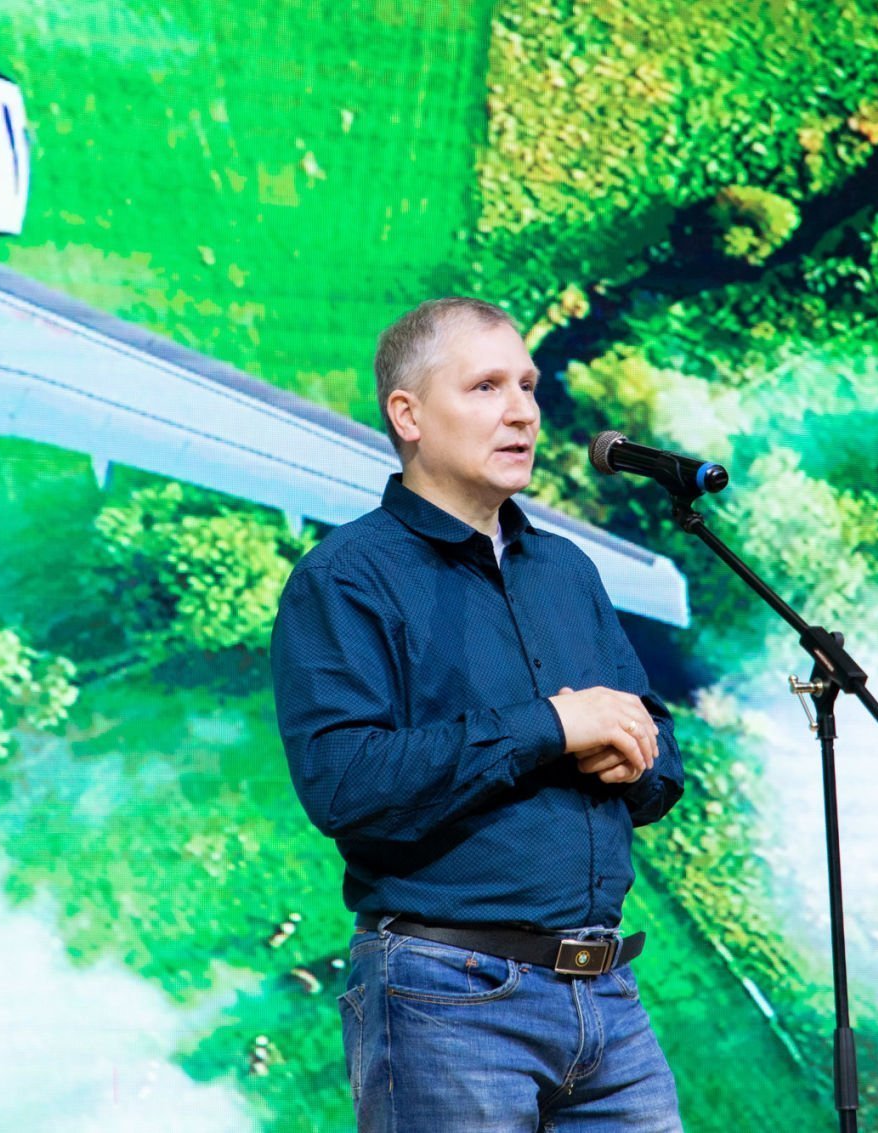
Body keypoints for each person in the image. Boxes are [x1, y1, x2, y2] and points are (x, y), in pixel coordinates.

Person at [270, 296, 686, 1131]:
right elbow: (344, 784)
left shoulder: (566, 569)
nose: (524, 411)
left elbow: (659, 750)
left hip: (608, 996)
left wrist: (638, 756)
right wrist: (551, 727)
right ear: (409, 414)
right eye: (487, 386)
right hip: (448, 996)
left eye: (527, 385)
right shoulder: (345, 577)